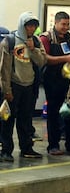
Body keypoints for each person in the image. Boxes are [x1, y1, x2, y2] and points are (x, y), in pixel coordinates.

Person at [0, 12, 46, 161]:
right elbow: (4, 69)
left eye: (34, 26)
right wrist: (7, 90)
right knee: (7, 120)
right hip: (14, 85)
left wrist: (33, 49)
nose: (31, 29)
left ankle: (27, 148)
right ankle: (6, 150)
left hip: (29, 86)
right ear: (22, 25)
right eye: (28, 25)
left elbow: (42, 62)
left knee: (26, 120)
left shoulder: (37, 42)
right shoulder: (10, 41)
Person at [39, 11, 70, 155]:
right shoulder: (47, 38)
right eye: (63, 24)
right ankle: (53, 145)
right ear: (56, 23)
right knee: (53, 114)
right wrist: (64, 59)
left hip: (69, 81)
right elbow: (44, 58)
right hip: (53, 81)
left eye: (67, 24)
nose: (65, 27)